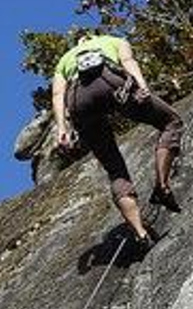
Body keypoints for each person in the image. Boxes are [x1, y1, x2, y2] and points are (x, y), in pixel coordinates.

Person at [52, 32, 185, 251]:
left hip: (79, 99)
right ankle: (162, 186)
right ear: (92, 37)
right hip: (111, 83)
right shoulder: (113, 40)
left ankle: (140, 233)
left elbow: (58, 94)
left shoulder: (65, 59)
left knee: (115, 170)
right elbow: (128, 62)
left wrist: (62, 129)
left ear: (79, 43)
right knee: (171, 122)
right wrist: (142, 86)